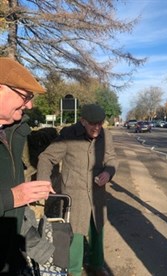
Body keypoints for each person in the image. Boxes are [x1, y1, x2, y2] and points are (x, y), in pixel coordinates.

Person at [37, 103, 117, 276]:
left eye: (100, 123)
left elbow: (111, 159)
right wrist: (43, 182)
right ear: (82, 121)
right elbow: (46, 157)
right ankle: (74, 270)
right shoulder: (68, 135)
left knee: (98, 230)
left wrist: (108, 173)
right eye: (93, 123)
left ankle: (97, 265)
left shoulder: (106, 135)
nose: (97, 128)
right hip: (74, 192)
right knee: (75, 234)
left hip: (97, 193)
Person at [0, 57, 55, 270]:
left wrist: (34, 243)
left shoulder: (13, 132)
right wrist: (11, 197)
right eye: (25, 96)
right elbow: (11, 197)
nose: (30, 105)